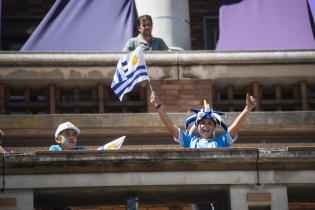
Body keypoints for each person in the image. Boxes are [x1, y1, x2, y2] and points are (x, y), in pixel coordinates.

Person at [150, 91, 256, 148]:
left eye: (210, 123)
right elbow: (171, 128)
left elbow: (236, 126)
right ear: (197, 126)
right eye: (203, 123)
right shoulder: (190, 141)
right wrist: (158, 107)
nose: (206, 126)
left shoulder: (222, 140)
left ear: (214, 127)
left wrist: (248, 108)